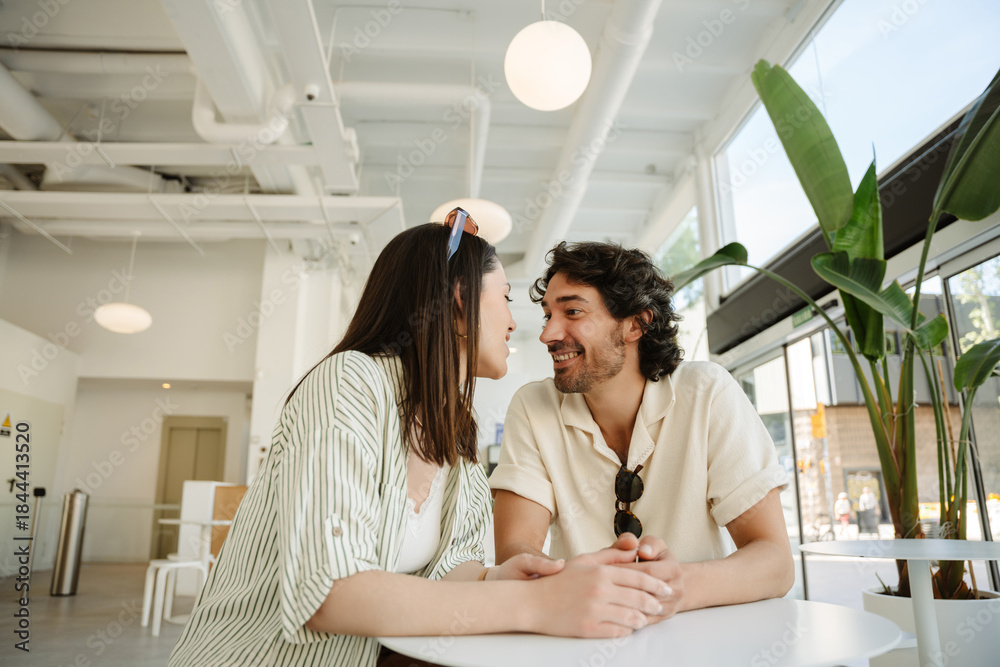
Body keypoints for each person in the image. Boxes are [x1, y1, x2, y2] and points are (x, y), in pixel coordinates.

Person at [168, 215, 670, 667]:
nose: (520, 326)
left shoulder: (457, 431)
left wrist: (539, 576)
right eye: (507, 299)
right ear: (459, 297)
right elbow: (326, 593)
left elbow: (449, 570)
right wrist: (539, 605)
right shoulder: (351, 382)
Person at [490, 241, 795, 616]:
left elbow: (776, 562)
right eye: (547, 316)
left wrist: (676, 586)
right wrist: (565, 582)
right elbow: (516, 548)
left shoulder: (707, 394)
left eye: (572, 311)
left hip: (699, 641)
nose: (548, 334)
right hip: (580, 640)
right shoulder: (533, 407)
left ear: (637, 323)